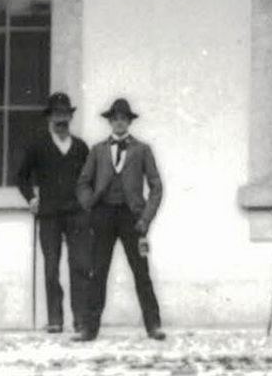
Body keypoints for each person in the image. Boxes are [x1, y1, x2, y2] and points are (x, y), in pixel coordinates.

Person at [70, 96, 164, 340]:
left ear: (129, 122)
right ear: (110, 122)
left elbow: (156, 186)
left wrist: (146, 217)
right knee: (97, 271)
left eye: (123, 119)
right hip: (103, 215)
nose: (119, 123)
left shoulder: (142, 150)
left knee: (140, 271)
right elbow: (82, 183)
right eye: (115, 119)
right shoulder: (98, 150)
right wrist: (89, 205)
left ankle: (153, 325)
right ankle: (90, 328)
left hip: (132, 217)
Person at [13, 93, 89, 334]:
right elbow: (21, 177)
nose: (61, 119)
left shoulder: (80, 147)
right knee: (51, 267)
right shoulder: (38, 146)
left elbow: (90, 179)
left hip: (76, 214)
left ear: (70, 117)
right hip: (49, 215)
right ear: (49, 117)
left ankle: (80, 318)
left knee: (79, 265)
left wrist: (87, 202)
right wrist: (32, 198)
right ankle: (55, 318)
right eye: (57, 114)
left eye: (65, 114)